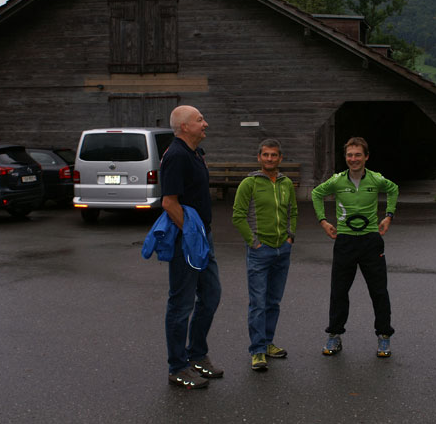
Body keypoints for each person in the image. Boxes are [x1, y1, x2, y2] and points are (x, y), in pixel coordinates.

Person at [311, 137, 399, 358]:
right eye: (350, 155)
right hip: (345, 241)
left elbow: (394, 189)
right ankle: (334, 335)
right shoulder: (338, 180)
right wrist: (323, 221)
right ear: (346, 157)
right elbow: (316, 193)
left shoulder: (376, 179)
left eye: (358, 154)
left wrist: (388, 216)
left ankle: (384, 337)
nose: (353, 159)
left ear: (366, 157)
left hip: (370, 240)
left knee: (378, 291)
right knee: (339, 291)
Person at [160, 105, 223, 389]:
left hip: (202, 238)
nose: (205, 123)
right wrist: (191, 235)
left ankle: (197, 355)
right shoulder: (175, 156)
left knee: (211, 295)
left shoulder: (196, 153)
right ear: (184, 126)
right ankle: (178, 367)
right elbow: (168, 202)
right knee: (181, 303)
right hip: (187, 241)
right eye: (200, 120)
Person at [232, 139, 298, 371]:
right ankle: (257, 350)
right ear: (259, 157)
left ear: (280, 158)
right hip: (261, 250)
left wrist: (290, 236)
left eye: (274, 155)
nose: (270, 159)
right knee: (258, 302)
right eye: (266, 155)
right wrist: (254, 242)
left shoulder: (286, 183)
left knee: (273, 301)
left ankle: (268, 343)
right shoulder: (249, 184)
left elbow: (293, 211)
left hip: (283, 249)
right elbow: (238, 216)